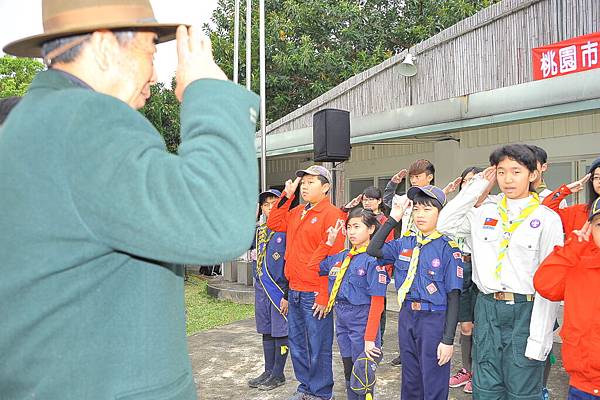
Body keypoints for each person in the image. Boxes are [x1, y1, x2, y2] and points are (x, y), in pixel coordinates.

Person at [0, 0, 260, 399]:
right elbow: (220, 222)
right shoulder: (85, 122)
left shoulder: (34, 123)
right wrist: (208, 92)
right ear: (104, 47)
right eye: (149, 52)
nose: (155, 74)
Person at [437, 144, 564, 400]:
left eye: (516, 171)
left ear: (532, 174)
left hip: (525, 311)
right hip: (487, 308)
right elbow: (444, 222)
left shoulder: (547, 218)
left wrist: (540, 340)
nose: (508, 179)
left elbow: (550, 283)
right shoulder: (485, 211)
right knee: (486, 389)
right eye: (501, 171)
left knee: (522, 391)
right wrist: (477, 187)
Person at [368, 185, 463, 400]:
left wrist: (448, 340)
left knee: (434, 379)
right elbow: (373, 249)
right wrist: (394, 218)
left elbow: (454, 296)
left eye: (427, 210)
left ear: (440, 213)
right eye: (417, 209)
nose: (420, 215)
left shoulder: (448, 248)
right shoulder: (405, 243)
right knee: (410, 378)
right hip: (407, 315)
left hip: (434, 318)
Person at [267, 165, 346, 400]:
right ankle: (305, 387)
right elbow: (273, 222)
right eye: (303, 182)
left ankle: (320, 392)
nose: (305, 186)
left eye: (311, 182)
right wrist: (286, 194)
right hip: (295, 290)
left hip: (314, 292)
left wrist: (324, 294)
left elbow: (334, 260)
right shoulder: (298, 211)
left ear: (326, 187)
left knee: (318, 345)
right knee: (298, 344)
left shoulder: (332, 215)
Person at [312, 208, 389, 400]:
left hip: (363, 320)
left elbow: (378, 302)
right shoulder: (341, 257)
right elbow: (313, 266)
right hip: (342, 318)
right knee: (348, 369)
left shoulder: (374, 260)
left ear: (371, 229)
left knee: (362, 374)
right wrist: (328, 243)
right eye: (349, 227)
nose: (351, 232)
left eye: (357, 226)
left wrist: (370, 338)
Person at [534, 198, 600, 400]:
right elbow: (545, 285)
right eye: (599, 225)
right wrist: (572, 248)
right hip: (583, 384)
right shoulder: (578, 261)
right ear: (589, 228)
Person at [248, 189, 289, 391]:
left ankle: (278, 374)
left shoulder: (287, 229)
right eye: (266, 204)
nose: (270, 207)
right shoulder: (259, 230)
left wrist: (288, 294)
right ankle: (268, 370)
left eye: (274, 202)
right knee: (266, 330)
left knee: (280, 332)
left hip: (279, 289)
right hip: (261, 288)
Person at [448, 166, 483, 395]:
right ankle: (466, 369)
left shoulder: (488, 209)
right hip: (460, 267)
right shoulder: (456, 210)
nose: (469, 184)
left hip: (478, 268)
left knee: (480, 325)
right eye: (466, 181)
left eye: (474, 181)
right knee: (466, 324)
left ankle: (479, 373)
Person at [542, 157, 600, 234]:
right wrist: (564, 190)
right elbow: (545, 212)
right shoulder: (578, 212)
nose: (599, 181)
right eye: (596, 177)